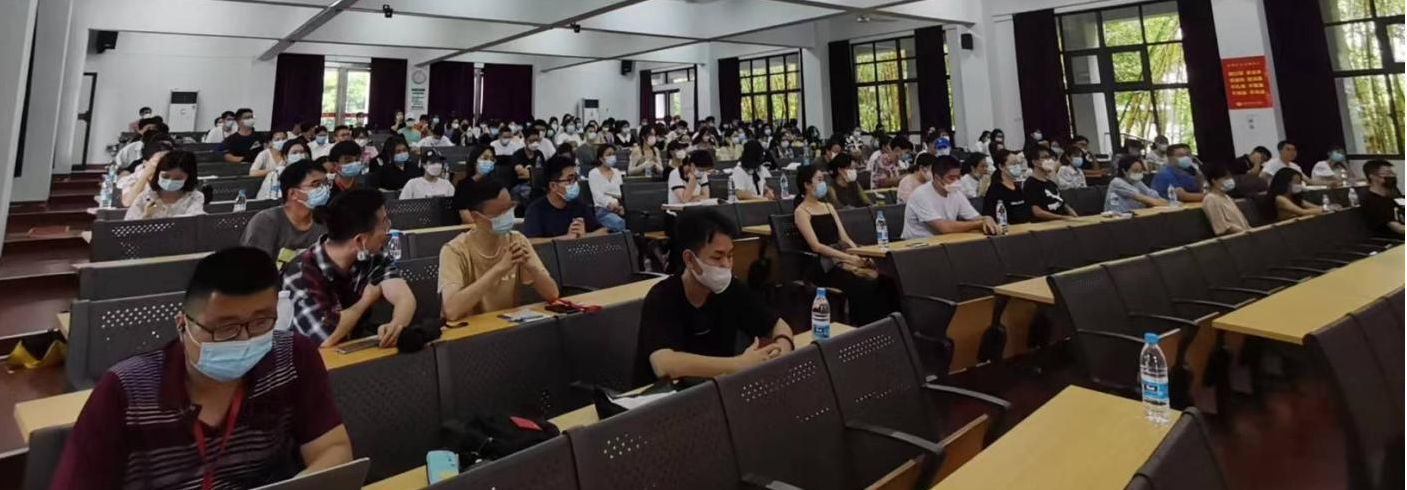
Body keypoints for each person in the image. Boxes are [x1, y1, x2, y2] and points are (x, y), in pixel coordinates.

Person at [50, 248, 353, 490]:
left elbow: (334, 450)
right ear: (183, 325)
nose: (244, 339)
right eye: (225, 328)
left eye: (261, 322)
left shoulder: (294, 357)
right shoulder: (125, 391)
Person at [635, 209, 794, 382]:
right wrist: (738, 364)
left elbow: (778, 325)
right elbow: (664, 365)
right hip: (668, 395)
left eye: (730, 256)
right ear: (689, 259)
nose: (726, 265)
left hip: (717, 388)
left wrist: (782, 350)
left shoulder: (731, 289)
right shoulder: (662, 296)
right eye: (717, 257)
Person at [281, 189, 414, 347]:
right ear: (360, 240)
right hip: (312, 356)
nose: (388, 230)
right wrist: (365, 301)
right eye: (384, 223)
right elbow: (326, 338)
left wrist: (396, 325)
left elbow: (404, 298)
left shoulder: (372, 255)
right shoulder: (301, 274)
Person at [439, 180, 559, 320]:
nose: (507, 216)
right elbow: (451, 311)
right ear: (476, 216)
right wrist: (500, 269)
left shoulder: (517, 240)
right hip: (471, 330)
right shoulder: (455, 250)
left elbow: (553, 295)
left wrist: (532, 268)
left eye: (509, 208)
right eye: (499, 213)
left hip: (507, 326)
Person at [792, 164, 889, 324]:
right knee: (860, 283)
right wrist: (848, 258)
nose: (823, 183)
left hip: (841, 256)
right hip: (822, 265)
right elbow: (816, 246)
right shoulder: (801, 212)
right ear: (807, 185)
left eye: (823, 179)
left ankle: (885, 324)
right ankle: (862, 326)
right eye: (819, 180)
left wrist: (858, 254)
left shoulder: (828, 206)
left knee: (883, 279)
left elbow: (844, 237)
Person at [242, 161, 330, 263]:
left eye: (326, 183)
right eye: (316, 184)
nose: (324, 189)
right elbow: (255, 268)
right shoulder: (266, 222)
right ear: (293, 193)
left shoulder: (325, 221)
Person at [903, 155, 1000, 239]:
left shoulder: (956, 193)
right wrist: (979, 223)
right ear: (937, 178)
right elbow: (944, 228)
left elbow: (975, 217)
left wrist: (986, 219)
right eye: (952, 178)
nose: (956, 182)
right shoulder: (921, 195)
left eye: (958, 177)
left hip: (945, 240)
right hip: (918, 244)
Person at [522, 157, 607, 239]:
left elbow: (603, 231)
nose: (575, 183)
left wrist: (584, 236)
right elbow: (530, 241)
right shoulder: (536, 210)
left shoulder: (579, 206)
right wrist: (565, 239)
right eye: (570, 180)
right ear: (553, 186)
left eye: (576, 178)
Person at [124, 151, 206, 220]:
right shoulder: (146, 197)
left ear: (188, 177)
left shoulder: (194, 197)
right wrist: (146, 216)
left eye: (178, 178)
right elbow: (129, 226)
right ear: (158, 174)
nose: (170, 181)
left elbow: (193, 222)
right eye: (165, 176)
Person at [1024, 147, 1079, 221]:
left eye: (1049, 157)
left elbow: (1064, 205)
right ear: (1035, 162)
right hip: (1049, 224)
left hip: (1065, 221)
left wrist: (1076, 218)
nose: (1049, 160)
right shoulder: (1030, 184)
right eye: (1045, 157)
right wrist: (1062, 217)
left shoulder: (1051, 183)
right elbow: (1037, 212)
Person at [983, 149, 1034, 224]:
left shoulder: (1018, 188)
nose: (1017, 166)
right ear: (1001, 166)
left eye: (1018, 164)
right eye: (1013, 164)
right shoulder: (995, 190)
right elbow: (990, 215)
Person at [1201, 162, 1252, 236]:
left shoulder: (1227, 197)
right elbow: (1222, 227)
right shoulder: (1211, 199)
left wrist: (1250, 231)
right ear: (1214, 180)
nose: (1230, 180)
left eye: (1230, 177)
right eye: (1226, 178)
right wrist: (1244, 232)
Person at [588, 144, 627, 233]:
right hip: (603, 210)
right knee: (620, 223)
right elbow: (597, 195)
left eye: (613, 154)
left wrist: (619, 205)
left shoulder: (617, 172)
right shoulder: (593, 173)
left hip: (620, 208)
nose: (612, 157)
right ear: (601, 158)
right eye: (609, 155)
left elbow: (621, 192)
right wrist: (610, 204)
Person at [1360, 159, 1405, 237]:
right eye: (1388, 173)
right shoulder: (1372, 201)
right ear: (1372, 176)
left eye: (1393, 173)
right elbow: (1400, 229)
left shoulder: (1393, 196)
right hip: (1392, 240)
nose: (1392, 176)